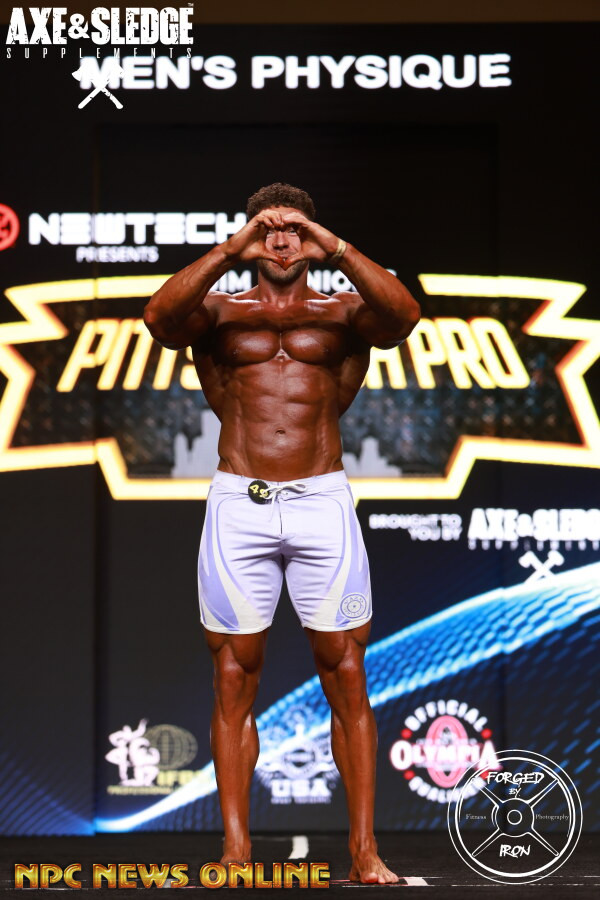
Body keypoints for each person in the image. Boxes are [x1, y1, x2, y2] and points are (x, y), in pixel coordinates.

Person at [144, 183, 420, 884]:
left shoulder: (343, 313)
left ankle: (365, 853)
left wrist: (337, 247)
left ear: (312, 239)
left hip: (321, 500)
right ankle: (236, 851)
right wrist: (228, 249)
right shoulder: (218, 313)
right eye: (267, 229)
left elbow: (403, 316)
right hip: (240, 502)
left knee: (346, 671)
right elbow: (159, 318)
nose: (281, 239)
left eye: (294, 228)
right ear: (250, 239)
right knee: (234, 675)